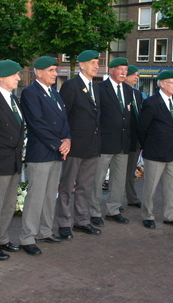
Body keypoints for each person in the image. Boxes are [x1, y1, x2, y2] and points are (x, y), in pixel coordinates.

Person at [19, 56, 71, 256]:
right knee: (36, 196)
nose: (55, 74)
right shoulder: (30, 93)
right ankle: (27, 237)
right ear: (38, 72)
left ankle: (45, 231)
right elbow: (37, 123)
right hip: (41, 152)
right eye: (51, 70)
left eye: (56, 70)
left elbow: (65, 120)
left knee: (50, 195)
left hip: (57, 152)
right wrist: (58, 144)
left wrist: (67, 140)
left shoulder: (55, 94)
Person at [56, 50, 102, 238]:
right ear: (81, 65)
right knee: (67, 187)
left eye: (97, 62)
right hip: (74, 147)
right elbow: (63, 116)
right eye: (92, 62)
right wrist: (66, 139)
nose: (96, 65)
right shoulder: (70, 86)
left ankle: (82, 220)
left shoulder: (96, 87)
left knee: (85, 186)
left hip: (91, 146)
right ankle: (64, 223)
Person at [0, 60, 25, 260]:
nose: (19, 78)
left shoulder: (14, 99)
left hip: (14, 160)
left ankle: (2, 237)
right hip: (1, 161)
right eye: (14, 75)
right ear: (1, 77)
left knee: (9, 204)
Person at [137, 70, 173, 229]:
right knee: (150, 187)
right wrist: (147, 146)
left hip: (172, 152)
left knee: (172, 187)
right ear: (162, 84)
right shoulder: (151, 102)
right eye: (172, 83)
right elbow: (142, 127)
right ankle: (148, 216)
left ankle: (170, 216)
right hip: (155, 152)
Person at [90, 57, 133, 226]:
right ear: (111, 70)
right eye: (120, 69)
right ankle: (94, 211)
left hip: (122, 143)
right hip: (104, 142)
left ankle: (113, 210)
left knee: (119, 179)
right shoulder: (100, 88)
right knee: (98, 179)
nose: (124, 73)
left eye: (126, 70)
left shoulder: (128, 91)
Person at [123, 65, 144, 208]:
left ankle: (132, 197)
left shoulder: (137, 94)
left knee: (130, 170)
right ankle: (116, 200)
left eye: (137, 75)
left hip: (135, 140)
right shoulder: (121, 93)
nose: (137, 77)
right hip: (123, 139)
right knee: (118, 173)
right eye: (134, 75)